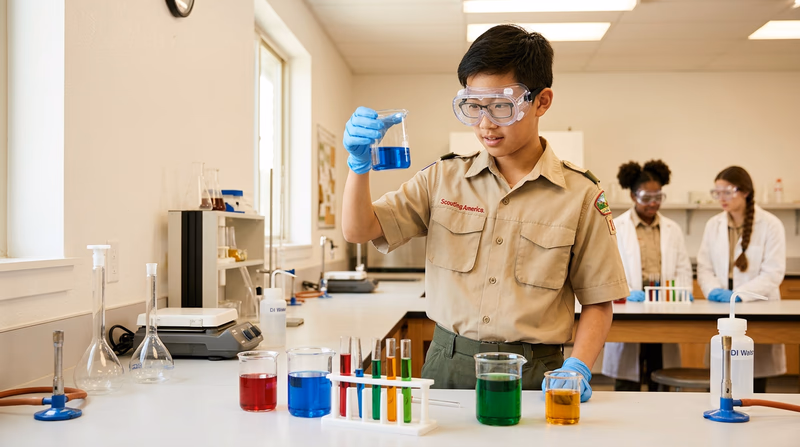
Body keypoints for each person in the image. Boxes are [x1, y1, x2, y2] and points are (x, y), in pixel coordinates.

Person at [340, 24, 629, 402]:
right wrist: (357, 169)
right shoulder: (443, 178)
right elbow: (359, 230)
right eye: (474, 106)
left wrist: (578, 365)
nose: (485, 124)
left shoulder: (580, 194)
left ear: (541, 102)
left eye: (501, 107)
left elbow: (598, 301)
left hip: (534, 372)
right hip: (448, 363)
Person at [602, 160, 692, 391]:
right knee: (627, 377)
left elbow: (682, 267)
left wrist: (682, 293)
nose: (653, 203)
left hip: (663, 302)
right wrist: (626, 293)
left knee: (659, 369)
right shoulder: (617, 226)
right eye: (646, 197)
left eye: (658, 197)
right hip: (629, 302)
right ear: (633, 196)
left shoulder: (672, 228)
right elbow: (608, 266)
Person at [696, 166, 786, 392]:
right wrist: (713, 291)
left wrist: (739, 296)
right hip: (722, 307)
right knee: (723, 369)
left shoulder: (770, 224)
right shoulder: (713, 225)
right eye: (717, 192)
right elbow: (704, 268)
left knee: (755, 374)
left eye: (727, 191)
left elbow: (773, 272)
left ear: (745, 191)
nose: (721, 198)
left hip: (758, 305)